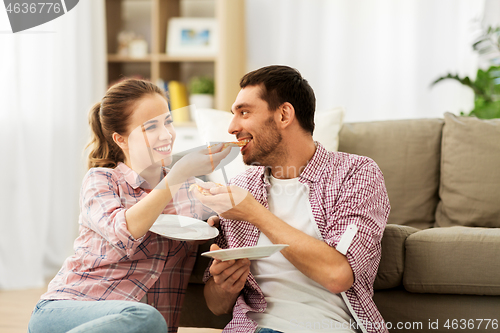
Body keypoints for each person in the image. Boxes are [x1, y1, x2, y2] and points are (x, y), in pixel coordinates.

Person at [194, 65, 391, 333]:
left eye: (244, 112)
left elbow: (338, 275)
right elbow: (216, 306)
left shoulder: (355, 173)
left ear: (284, 114)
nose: (232, 127)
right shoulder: (240, 188)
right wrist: (224, 284)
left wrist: (254, 213)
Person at [28, 79, 230, 333]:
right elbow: (124, 232)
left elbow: (224, 230)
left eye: (168, 121)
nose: (166, 134)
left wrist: (219, 222)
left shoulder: (192, 193)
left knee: (147, 320)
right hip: (67, 310)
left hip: (139, 326)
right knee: (146, 317)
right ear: (120, 139)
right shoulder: (101, 181)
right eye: (151, 127)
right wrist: (178, 174)